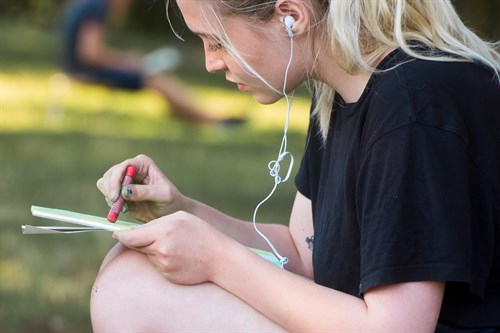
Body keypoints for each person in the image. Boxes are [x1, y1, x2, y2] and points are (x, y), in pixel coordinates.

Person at [90, 0, 500, 331]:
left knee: (133, 290)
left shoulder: (412, 107)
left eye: (216, 42)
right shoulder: (343, 94)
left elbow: (397, 327)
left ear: (290, 16)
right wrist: (184, 211)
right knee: (132, 269)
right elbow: (305, 256)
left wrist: (217, 258)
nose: (210, 63)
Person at [59, 0, 244, 125]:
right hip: (86, 72)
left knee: (157, 78)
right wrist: (124, 62)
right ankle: (211, 121)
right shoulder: (96, 8)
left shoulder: (88, 5)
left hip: (78, 68)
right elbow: (90, 55)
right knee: (159, 81)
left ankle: (198, 118)